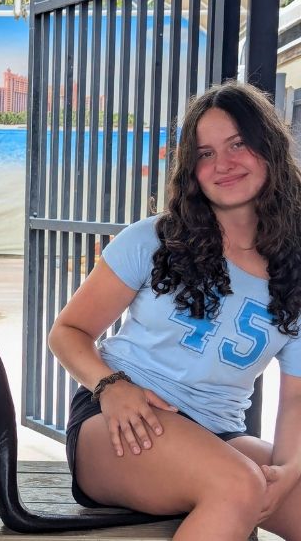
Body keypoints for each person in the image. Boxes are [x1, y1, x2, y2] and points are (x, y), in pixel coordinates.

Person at [49, 81, 301, 540]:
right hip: (119, 419)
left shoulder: (297, 272)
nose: (222, 164)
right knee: (237, 483)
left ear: (270, 150)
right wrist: (111, 387)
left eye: (237, 144)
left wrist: (289, 468)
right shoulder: (155, 239)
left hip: (217, 434)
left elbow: (297, 398)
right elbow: (67, 331)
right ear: (191, 169)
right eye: (205, 153)